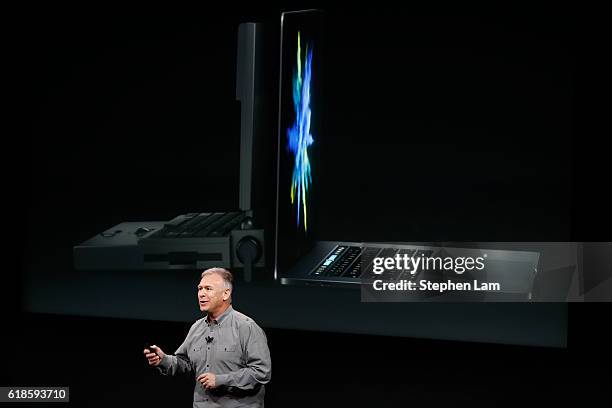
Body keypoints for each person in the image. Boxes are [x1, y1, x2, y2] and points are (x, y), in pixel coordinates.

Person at [143, 268, 271, 407]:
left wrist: (220, 380)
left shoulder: (246, 327)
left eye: (208, 289)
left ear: (226, 294)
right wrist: (164, 360)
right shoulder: (196, 328)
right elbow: (185, 363)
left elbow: (261, 372)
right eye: (200, 289)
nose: (201, 294)